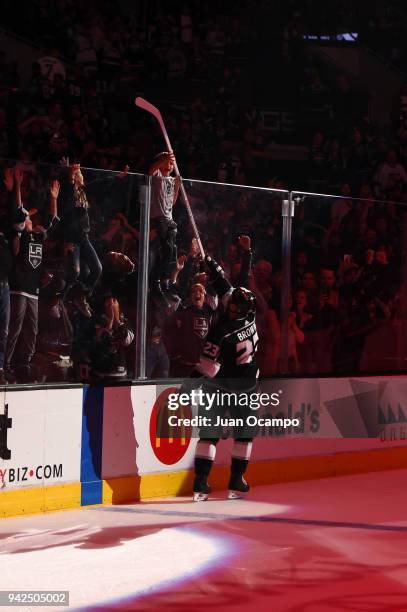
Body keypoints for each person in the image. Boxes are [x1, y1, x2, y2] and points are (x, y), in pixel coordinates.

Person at [190, 256, 258, 501]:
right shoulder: (250, 317)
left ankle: (201, 481)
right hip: (245, 387)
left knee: (209, 433)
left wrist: (187, 386)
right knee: (244, 433)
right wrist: (214, 266)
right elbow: (227, 289)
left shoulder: (220, 332)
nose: (229, 303)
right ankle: (237, 479)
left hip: (218, 386)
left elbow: (207, 368)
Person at [148, 151, 181, 306]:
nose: (170, 164)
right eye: (167, 162)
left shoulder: (171, 179)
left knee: (172, 252)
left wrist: (177, 187)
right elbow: (150, 170)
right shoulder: (157, 176)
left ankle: (165, 282)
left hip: (169, 219)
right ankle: (156, 283)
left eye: (171, 162)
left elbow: (172, 202)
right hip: (158, 219)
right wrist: (163, 158)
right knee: (166, 250)